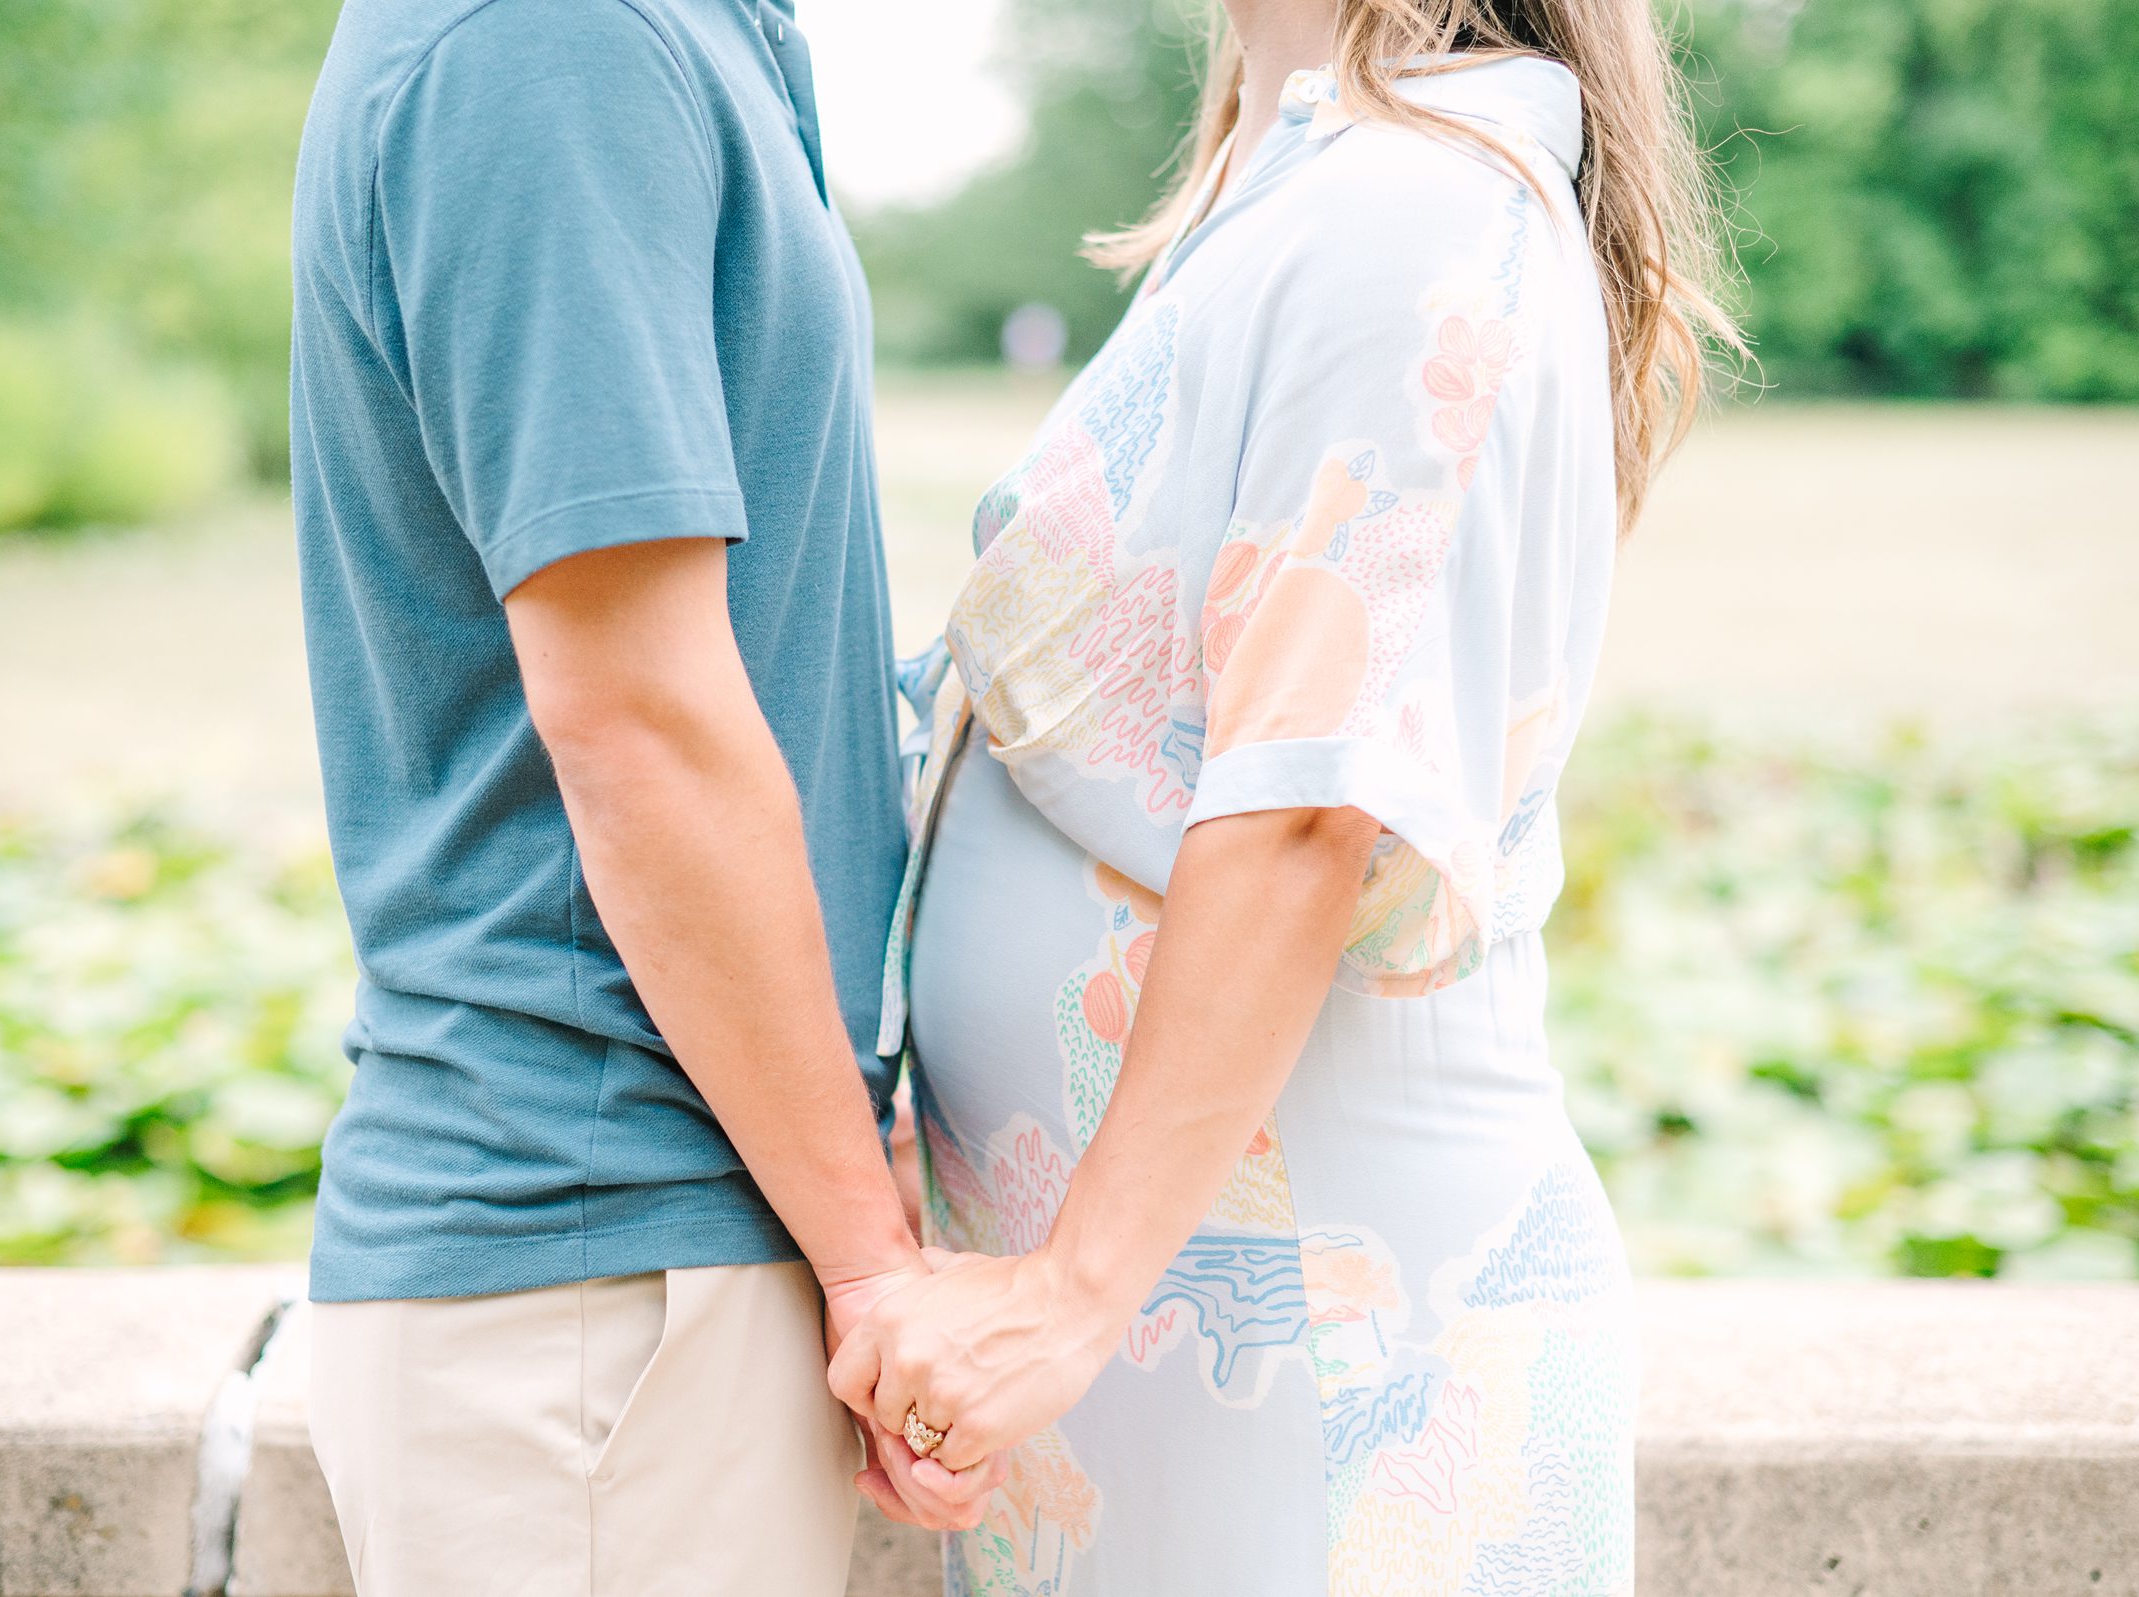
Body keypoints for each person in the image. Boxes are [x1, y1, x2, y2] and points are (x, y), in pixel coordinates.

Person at [829, 0, 1739, 1591]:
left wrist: (1068, 1296)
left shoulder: (1415, 202)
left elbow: (1313, 800)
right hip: (1207, 1347)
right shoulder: (1309, 180)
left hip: (1329, 1363)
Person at [285, 1, 996, 1592]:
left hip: (662, 1250)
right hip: (597, 1295)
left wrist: (851, 1127)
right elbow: (639, 722)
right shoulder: (553, 37)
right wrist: (876, 1271)